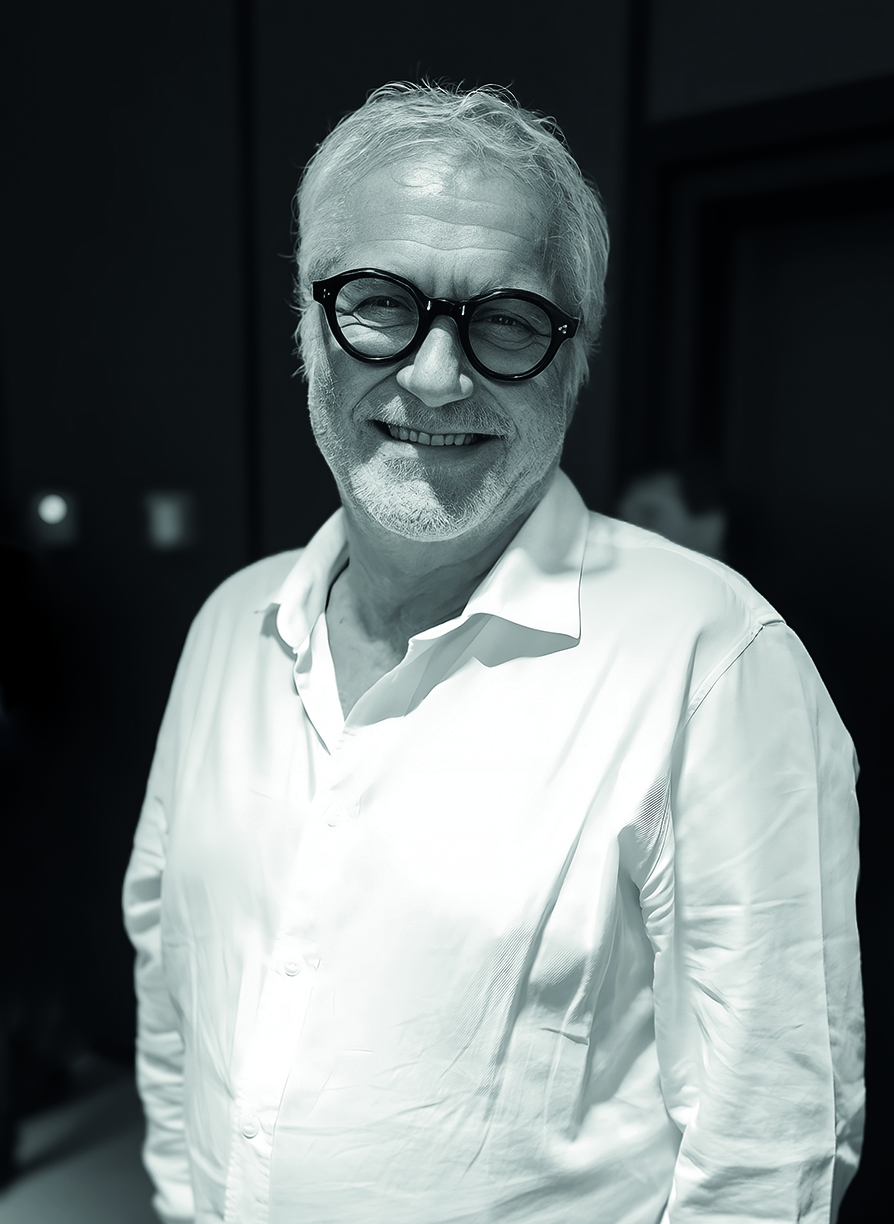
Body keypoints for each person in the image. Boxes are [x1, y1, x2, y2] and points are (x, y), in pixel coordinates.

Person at [123, 82, 864, 1224]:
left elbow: (771, 1151)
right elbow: (172, 987)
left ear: (573, 358)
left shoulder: (714, 661)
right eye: (379, 303)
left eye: (507, 319)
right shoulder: (231, 626)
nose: (434, 377)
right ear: (309, 331)